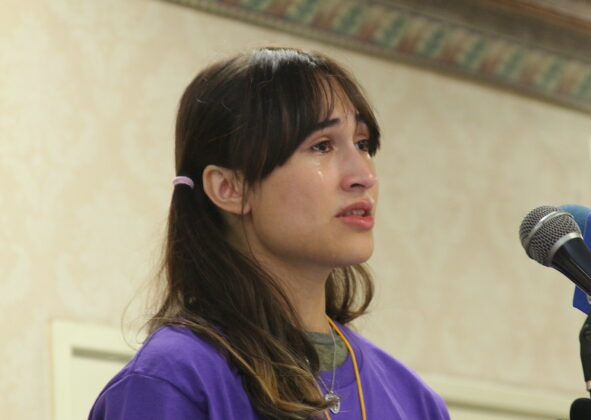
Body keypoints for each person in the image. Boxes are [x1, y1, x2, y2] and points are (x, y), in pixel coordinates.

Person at [89, 47, 450, 420]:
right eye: (322, 146)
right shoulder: (172, 382)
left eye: (363, 144)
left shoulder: (416, 403)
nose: (364, 176)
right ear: (230, 188)